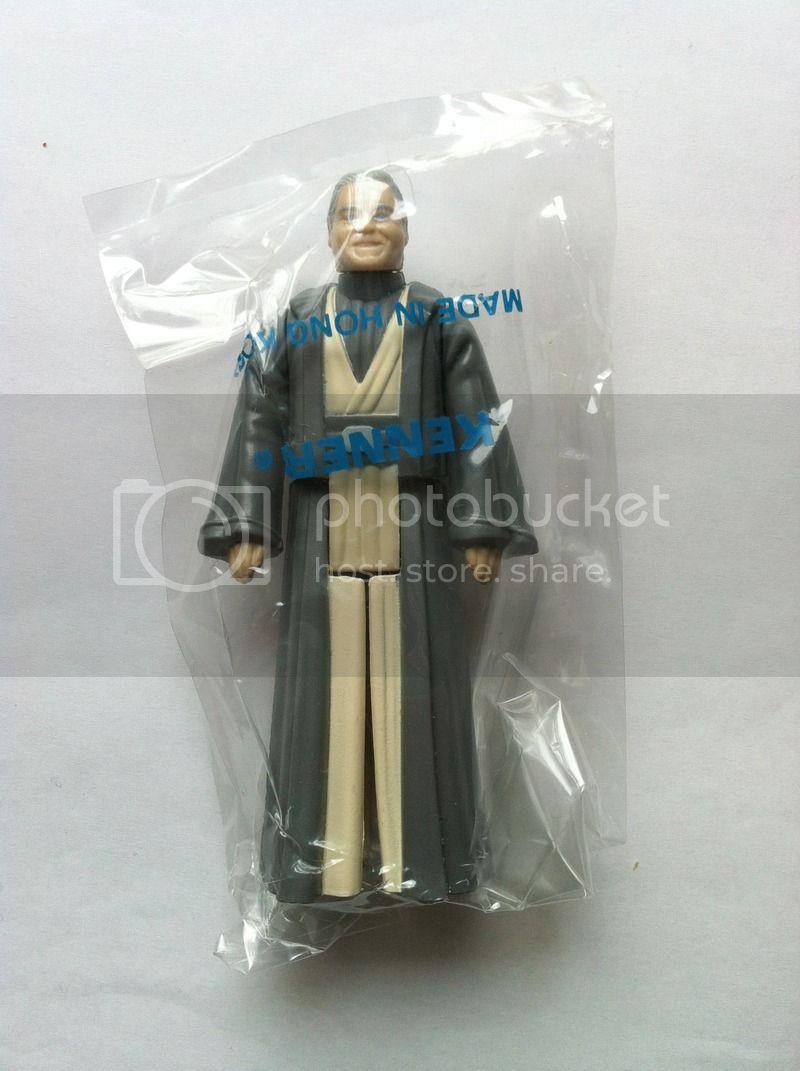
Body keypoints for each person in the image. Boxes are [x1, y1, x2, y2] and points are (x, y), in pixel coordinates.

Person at [199, 169, 537, 904]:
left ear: (406, 230)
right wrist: (249, 520)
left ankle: (433, 864)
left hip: (416, 530)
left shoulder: (437, 318)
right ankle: (314, 866)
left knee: (418, 689)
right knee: (320, 698)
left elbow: (476, 420)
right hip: (320, 527)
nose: (368, 225)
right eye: (350, 213)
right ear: (329, 232)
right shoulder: (298, 319)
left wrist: (480, 523)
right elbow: (260, 417)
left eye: (385, 213)